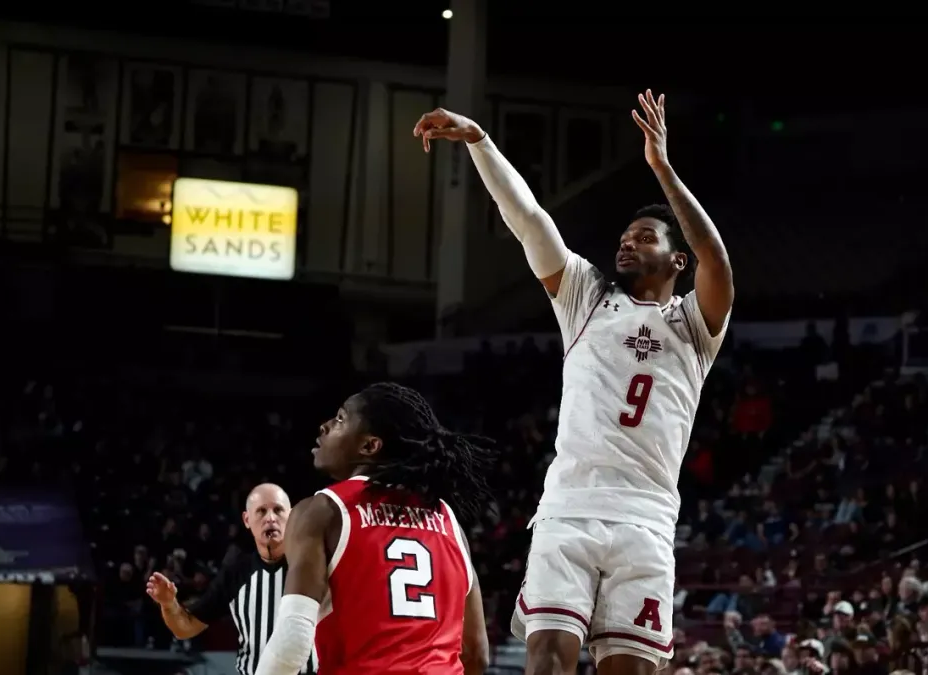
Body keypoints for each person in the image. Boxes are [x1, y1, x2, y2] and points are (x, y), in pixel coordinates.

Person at [413, 88, 733, 675]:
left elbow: (715, 255)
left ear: (676, 261)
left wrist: (661, 168)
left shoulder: (693, 323)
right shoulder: (587, 297)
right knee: (547, 661)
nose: (626, 242)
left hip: (647, 519)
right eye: (624, 237)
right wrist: (481, 143)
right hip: (569, 511)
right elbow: (529, 219)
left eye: (643, 237)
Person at [253, 382, 493, 675]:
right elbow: (477, 655)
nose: (325, 426)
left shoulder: (323, 512)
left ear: (369, 446)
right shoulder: (448, 520)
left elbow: (292, 642)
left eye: (340, 419)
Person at [146, 483, 318, 675]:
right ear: (247, 519)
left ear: (291, 516)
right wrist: (169, 604)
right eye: (261, 511)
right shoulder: (236, 572)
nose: (270, 518)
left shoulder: (314, 565)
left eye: (278, 510)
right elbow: (185, 628)